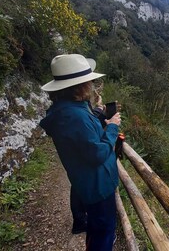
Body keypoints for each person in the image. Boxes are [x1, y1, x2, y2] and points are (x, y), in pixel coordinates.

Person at [39, 54, 121, 250]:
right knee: (103, 232)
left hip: (91, 184)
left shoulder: (70, 109)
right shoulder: (74, 116)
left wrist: (103, 122)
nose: (92, 84)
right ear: (80, 86)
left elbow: (87, 139)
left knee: (97, 230)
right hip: (97, 187)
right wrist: (112, 128)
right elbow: (97, 154)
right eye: (89, 80)